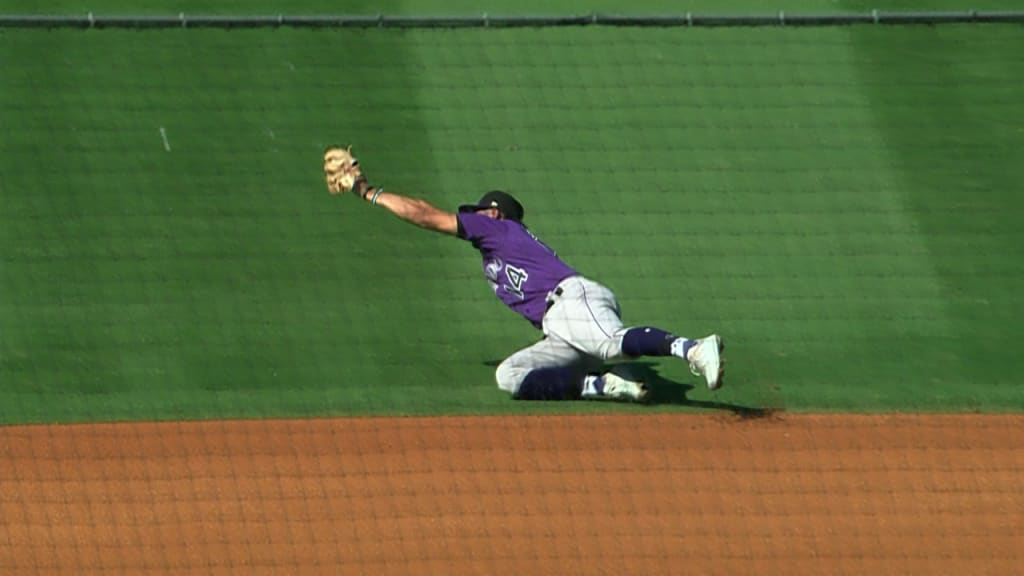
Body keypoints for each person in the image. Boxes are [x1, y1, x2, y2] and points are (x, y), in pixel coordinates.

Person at [323, 146, 724, 401]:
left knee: (609, 344)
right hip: (561, 323)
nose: (472, 215)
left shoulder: (496, 227)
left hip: (572, 301)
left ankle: (691, 348)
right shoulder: (494, 249)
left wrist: (366, 191)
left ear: (494, 213)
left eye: (479, 210)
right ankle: (604, 385)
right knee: (510, 376)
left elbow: (426, 215)